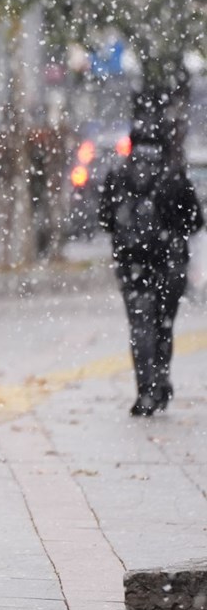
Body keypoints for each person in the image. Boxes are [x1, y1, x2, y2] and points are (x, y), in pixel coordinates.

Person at [98, 117, 203, 417]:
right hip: (170, 264)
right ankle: (160, 379)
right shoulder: (175, 177)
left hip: (132, 265)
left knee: (140, 325)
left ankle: (144, 390)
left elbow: (106, 221)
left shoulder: (118, 175)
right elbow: (196, 222)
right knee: (163, 324)